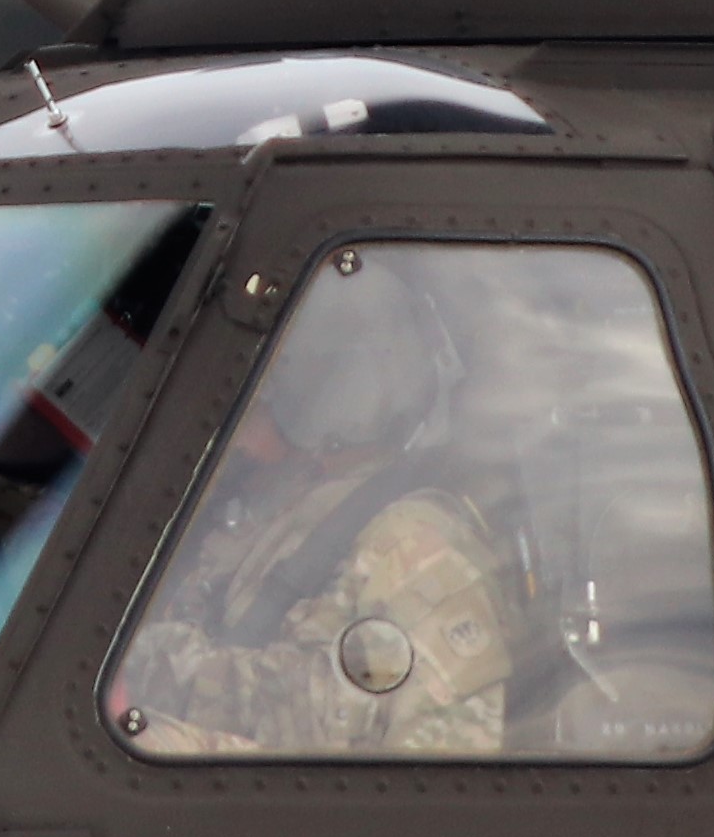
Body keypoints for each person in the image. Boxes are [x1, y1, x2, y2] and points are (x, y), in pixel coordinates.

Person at [107, 258, 523, 757]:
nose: (238, 429)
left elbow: (421, 764)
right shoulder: (276, 515)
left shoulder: (411, 546)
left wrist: (161, 670)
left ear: (324, 394)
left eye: (263, 397)